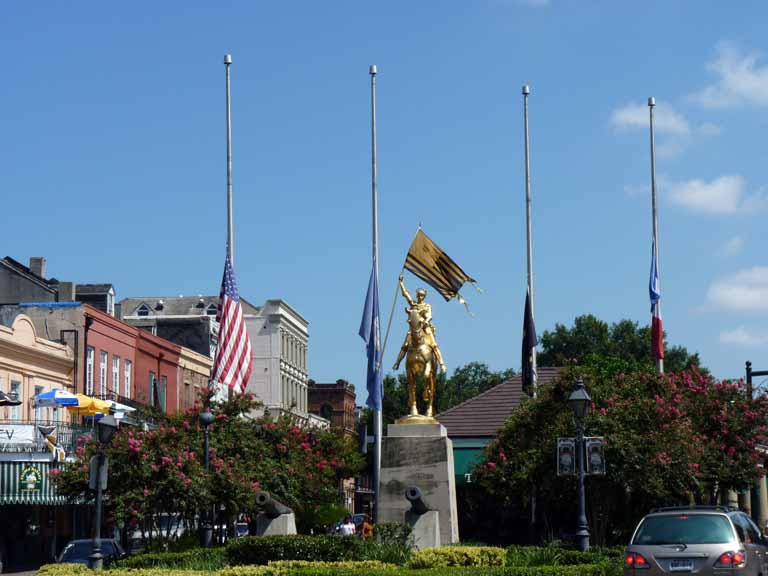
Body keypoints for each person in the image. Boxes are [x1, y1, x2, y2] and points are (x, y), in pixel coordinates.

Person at [392, 274, 446, 373]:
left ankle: (442, 363)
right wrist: (401, 283)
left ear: (424, 296)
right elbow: (405, 294)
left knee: (434, 344)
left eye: (422, 295)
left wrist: (425, 321)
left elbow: (430, 316)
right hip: (414, 329)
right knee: (405, 344)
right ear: (417, 295)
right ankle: (397, 362)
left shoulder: (427, 306)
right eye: (419, 295)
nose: (420, 297)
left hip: (425, 328)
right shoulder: (413, 305)